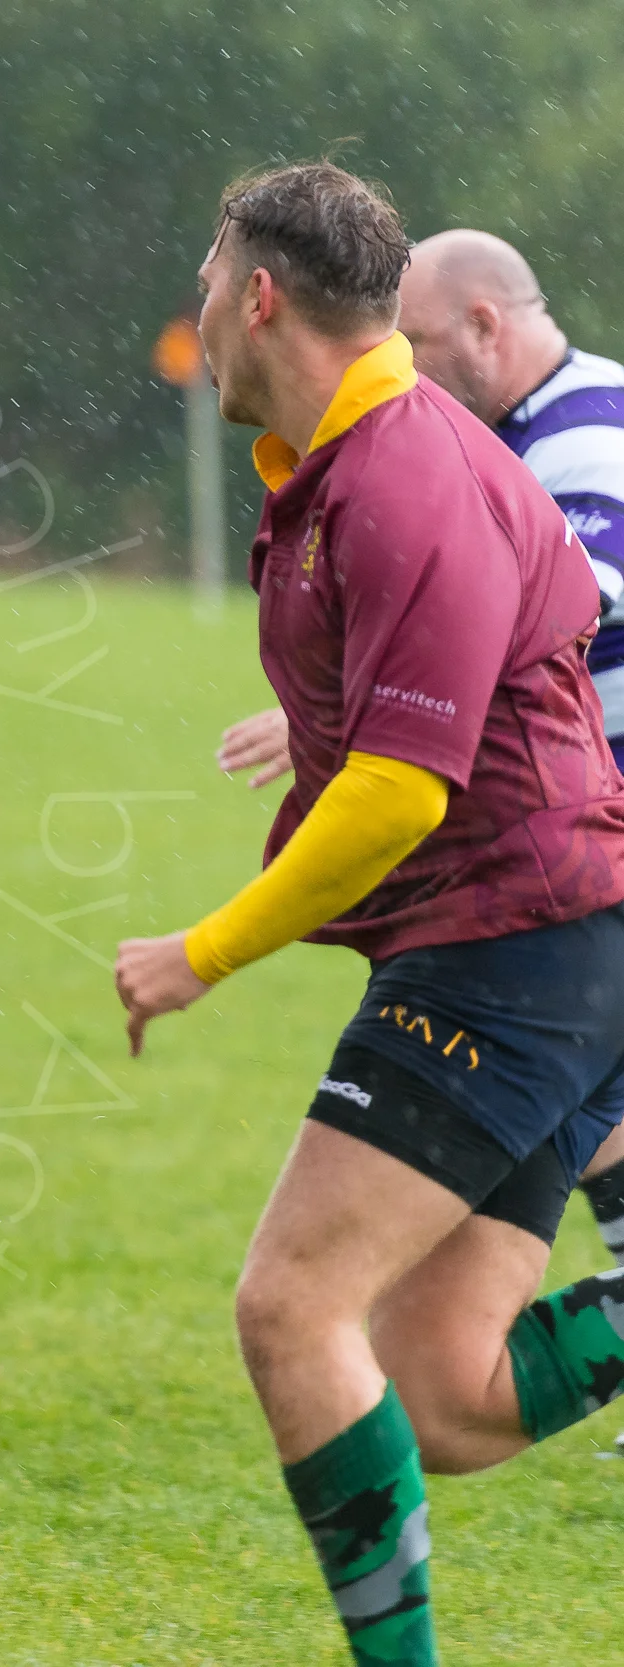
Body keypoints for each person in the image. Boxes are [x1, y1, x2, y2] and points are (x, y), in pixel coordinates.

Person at [117, 162, 624, 1666]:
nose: (199, 312)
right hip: (542, 946)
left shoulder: (407, 470)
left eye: (209, 277)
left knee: (289, 1306)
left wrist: (202, 950)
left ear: (259, 294)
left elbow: (402, 793)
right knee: (445, 1390)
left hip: (516, 950)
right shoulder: (345, 461)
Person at [218, 229, 624, 1281]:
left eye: (417, 339)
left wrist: (387, 698)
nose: (391, 363)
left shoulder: (585, 438)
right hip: (573, 834)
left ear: (485, 328)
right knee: (589, 1084)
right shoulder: (534, 427)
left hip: (574, 834)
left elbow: (563, 590)